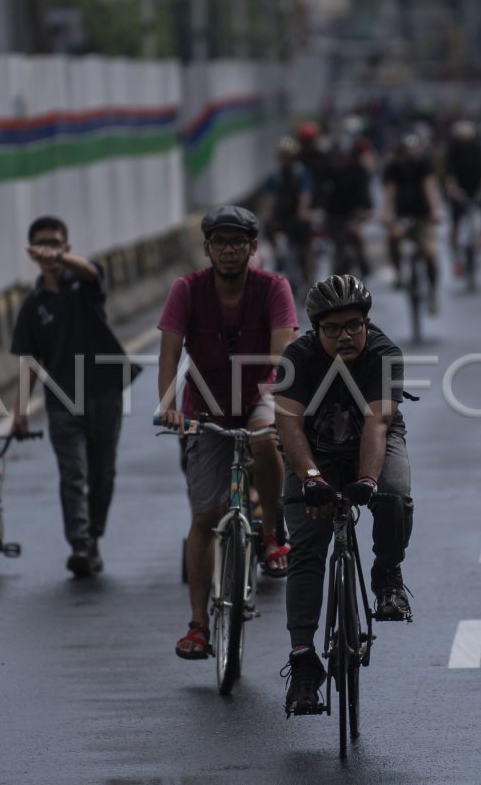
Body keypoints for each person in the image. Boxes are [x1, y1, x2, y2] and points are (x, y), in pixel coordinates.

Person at [157, 205, 297, 660]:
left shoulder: (273, 287)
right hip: (207, 407)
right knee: (203, 517)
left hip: (261, 394)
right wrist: (169, 406)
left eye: (239, 242)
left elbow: (283, 353)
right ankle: (198, 625)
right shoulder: (187, 290)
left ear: (253, 248)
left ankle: (273, 532)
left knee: (263, 439)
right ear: (208, 249)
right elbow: (169, 355)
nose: (230, 250)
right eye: (221, 242)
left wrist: (276, 403)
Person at [274, 275, 413, 714]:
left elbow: (377, 423)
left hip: (371, 441)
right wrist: (311, 477)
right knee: (306, 549)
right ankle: (302, 662)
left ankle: (387, 576)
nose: (345, 336)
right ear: (316, 330)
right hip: (313, 448)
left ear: (367, 323)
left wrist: (368, 483)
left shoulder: (384, 353)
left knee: (393, 495)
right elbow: (289, 426)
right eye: (332, 328)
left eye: (354, 325)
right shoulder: (297, 357)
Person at [10, 216, 136, 578]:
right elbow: (30, 362)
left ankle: (93, 535)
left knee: (103, 473)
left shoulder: (85, 282)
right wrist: (19, 413)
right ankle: (80, 543)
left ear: (67, 246)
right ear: (32, 252)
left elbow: (91, 272)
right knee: (73, 472)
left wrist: (60, 259)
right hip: (64, 397)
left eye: (56, 242)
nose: (49, 249)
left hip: (105, 390)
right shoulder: (33, 307)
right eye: (42, 244)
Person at [382, 133, 444, 309]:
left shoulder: (424, 164)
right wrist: (386, 214)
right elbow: (390, 192)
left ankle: (433, 292)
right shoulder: (393, 167)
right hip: (402, 216)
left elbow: (429, 188)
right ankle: (399, 273)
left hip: (424, 217)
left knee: (430, 255)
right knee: (393, 238)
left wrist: (434, 211)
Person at [261, 136, 315, 286]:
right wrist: (268, 214)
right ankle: (278, 255)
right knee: (267, 228)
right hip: (280, 216)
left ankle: (309, 279)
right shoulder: (274, 176)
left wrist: (303, 211)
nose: (286, 160)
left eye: (289, 157)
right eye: (283, 157)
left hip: (297, 216)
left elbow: (305, 194)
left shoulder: (301, 173)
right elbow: (268, 197)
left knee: (305, 248)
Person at [444, 120, 481, 278]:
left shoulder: (477, 149)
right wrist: (452, 189)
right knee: (455, 222)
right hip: (459, 189)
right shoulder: (452, 151)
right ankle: (456, 258)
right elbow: (450, 174)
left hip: (475, 188)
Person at [321, 138, 374, 277]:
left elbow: (365, 195)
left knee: (355, 236)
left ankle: (364, 264)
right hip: (333, 215)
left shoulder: (358, 171)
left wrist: (367, 210)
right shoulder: (327, 172)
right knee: (337, 244)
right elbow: (319, 195)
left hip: (353, 213)